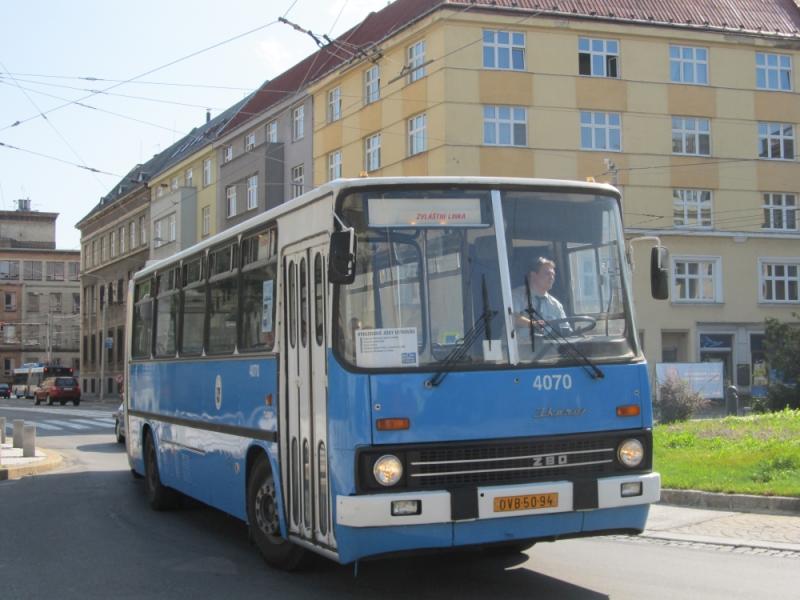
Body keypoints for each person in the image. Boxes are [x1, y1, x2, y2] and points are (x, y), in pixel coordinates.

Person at [511, 256, 571, 339]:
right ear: (533, 275)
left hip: (547, 350)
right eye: (547, 274)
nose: (552, 278)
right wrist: (533, 324)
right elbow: (512, 317)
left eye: (553, 275)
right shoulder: (516, 296)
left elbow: (565, 329)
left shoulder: (556, 305)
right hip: (518, 349)